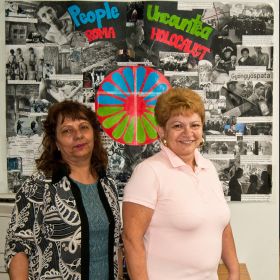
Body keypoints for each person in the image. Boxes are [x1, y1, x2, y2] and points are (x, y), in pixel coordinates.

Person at [122, 88, 239, 280]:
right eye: (177, 126)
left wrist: (234, 272)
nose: (188, 133)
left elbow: (222, 223)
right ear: (161, 131)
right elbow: (131, 240)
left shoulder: (208, 168)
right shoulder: (149, 172)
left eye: (195, 125)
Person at [5, 101, 122, 279]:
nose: (78, 135)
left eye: (84, 127)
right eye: (67, 130)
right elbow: (17, 248)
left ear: (94, 135)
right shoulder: (38, 186)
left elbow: (115, 246)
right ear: (56, 143)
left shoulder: (108, 184)